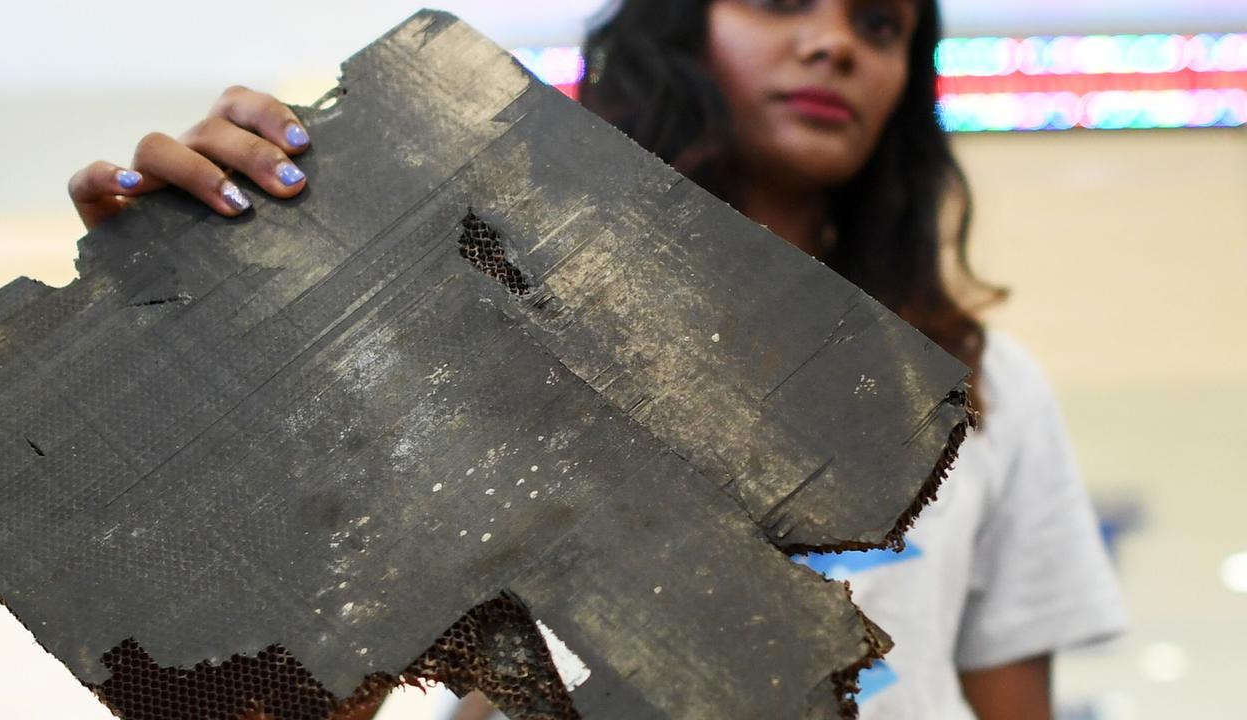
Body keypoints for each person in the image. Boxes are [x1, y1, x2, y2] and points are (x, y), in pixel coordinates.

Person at [66, 1, 1127, 718]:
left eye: (879, 24)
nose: (834, 44)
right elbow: (273, 680)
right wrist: (196, 328)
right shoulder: (469, 328)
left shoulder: (976, 384)